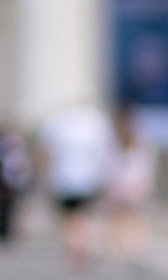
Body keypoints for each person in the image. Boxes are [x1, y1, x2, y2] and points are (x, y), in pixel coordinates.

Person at [38, 96, 114, 268]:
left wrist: (44, 175)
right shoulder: (96, 121)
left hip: (64, 179)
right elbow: (106, 152)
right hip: (88, 178)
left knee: (68, 217)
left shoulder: (57, 121)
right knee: (82, 216)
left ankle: (76, 247)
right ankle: (82, 245)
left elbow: (45, 152)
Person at [104, 109, 157, 259]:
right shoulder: (140, 138)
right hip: (135, 184)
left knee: (120, 219)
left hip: (121, 184)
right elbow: (147, 163)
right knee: (133, 218)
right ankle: (135, 246)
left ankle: (125, 247)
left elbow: (109, 165)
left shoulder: (115, 139)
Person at [0, 120, 32, 247]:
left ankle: (5, 231)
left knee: (8, 206)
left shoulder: (12, 145)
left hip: (10, 180)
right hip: (0, 179)